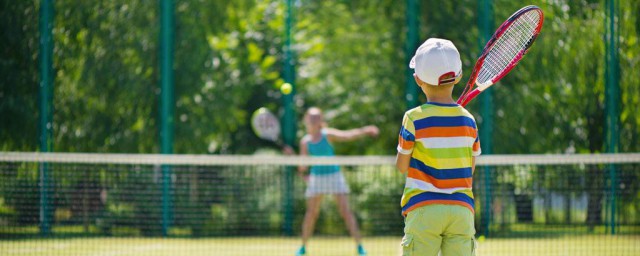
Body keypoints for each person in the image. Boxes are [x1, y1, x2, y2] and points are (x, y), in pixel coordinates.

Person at [395, 38, 481, 256]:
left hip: (424, 208)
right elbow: (469, 169)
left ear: (417, 79)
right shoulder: (469, 120)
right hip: (461, 211)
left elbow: (402, 166)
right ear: (459, 76)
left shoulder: (413, 118)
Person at [295, 107, 379, 256]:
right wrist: (297, 164)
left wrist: (365, 130)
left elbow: (348, 135)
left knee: (346, 212)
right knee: (311, 214)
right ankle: (302, 248)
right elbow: (303, 167)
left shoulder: (327, 134)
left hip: (334, 176)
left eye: (316, 117)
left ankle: (360, 247)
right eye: (311, 117)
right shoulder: (305, 142)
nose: (313, 120)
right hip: (317, 178)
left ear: (320, 120)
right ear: (306, 120)